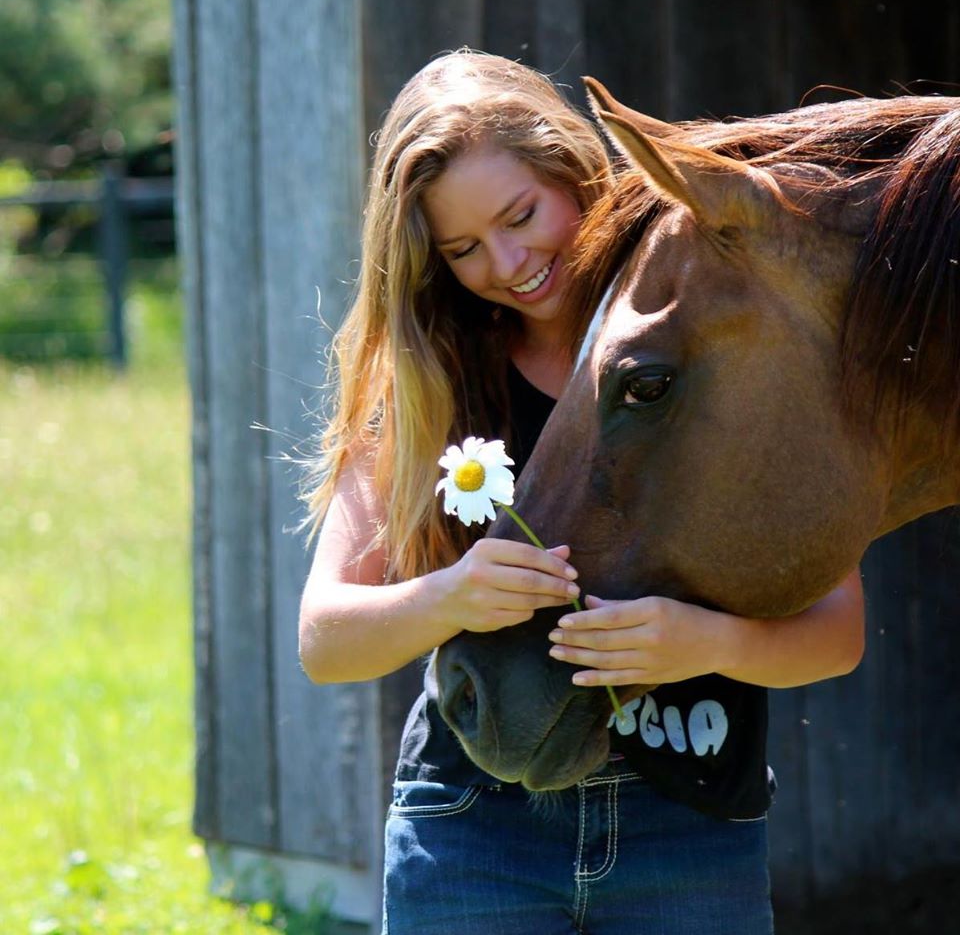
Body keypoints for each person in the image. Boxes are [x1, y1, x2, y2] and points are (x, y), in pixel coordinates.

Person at [298, 49, 865, 935]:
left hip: (689, 829)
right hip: (474, 830)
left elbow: (838, 631)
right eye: (463, 249)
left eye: (521, 215)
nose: (509, 260)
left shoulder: (710, 352)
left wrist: (702, 641)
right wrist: (452, 596)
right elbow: (324, 639)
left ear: (570, 166)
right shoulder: (433, 384)